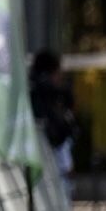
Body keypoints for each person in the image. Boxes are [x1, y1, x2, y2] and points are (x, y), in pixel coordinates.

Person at [28, 50, 77, 182]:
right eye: (58, 73)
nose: (60, 77)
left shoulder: (34, 92)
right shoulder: (49, 109)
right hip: (53, 168)